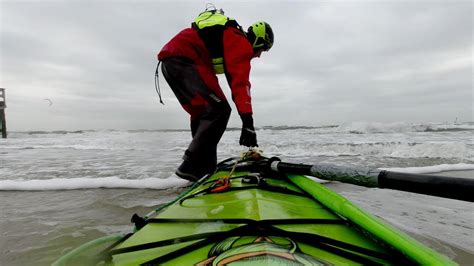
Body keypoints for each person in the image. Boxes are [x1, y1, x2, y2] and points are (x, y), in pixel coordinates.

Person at [157, 6, 274, 182]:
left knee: (205, 112)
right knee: (219, 110)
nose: (258, 55)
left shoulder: (228, 39)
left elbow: (227, 83)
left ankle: (204, 168)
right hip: (183, 60)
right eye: (263, 49)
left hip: (173, 63)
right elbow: (241, 84)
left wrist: (246, 121)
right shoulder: (240, 42)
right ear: (258, 41)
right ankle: (190, 166)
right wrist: (248, 123)